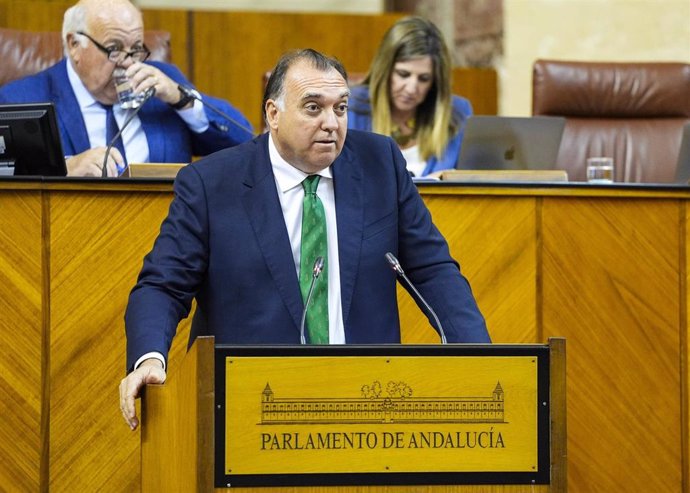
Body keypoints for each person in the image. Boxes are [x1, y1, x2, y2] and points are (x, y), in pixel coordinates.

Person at [119, 48, 490, 430]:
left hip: (367, 400)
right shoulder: (212, 183)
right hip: (250, 404)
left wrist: (481, 356)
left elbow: (432, 270)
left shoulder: (380, 163)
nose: (331, 122)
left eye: (341, 108)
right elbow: (163, 286)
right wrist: (150, 359)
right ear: (273, 114)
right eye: (314, 108)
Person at [0, 0, 253, 177]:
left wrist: (182, 100)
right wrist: (65, 168)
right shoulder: (21, 99)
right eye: (114, 49)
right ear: (75, 45)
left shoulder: (163, 84)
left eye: (136, 49)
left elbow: (244, 143)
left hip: (166, 237)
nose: (129, 62)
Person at [348, 16, 472, 177]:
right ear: (385, 70)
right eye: (403, 74)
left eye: (424, 78)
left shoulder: (457, 112)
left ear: (435, 82)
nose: (412, 88)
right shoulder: (352, 106)